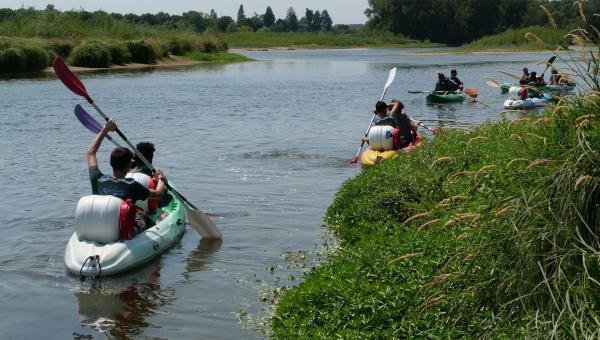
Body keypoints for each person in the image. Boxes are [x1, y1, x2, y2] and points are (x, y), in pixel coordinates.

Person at [87, 120, 167, 234]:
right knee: (141, 214)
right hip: (122, 227)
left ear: (111, 162)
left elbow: (91, 153)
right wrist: (161, 179)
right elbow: (158, 194)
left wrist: (105, 129)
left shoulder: (97, 178)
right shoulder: (132, 185)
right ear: (128, 166)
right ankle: (159, 222)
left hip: (102, 223)